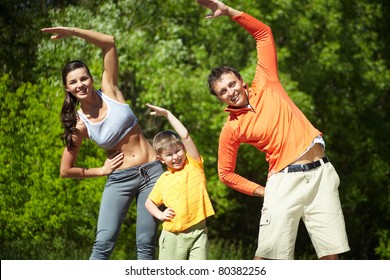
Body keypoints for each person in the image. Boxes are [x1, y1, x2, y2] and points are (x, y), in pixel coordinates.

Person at [197, 0, 350, 260]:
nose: (230, 92)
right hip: (284, 181)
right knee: (268, 259)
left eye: (232, 85)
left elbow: (263, 33)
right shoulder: (232, 128)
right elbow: (225, 173)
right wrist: (262, 191)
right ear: (220, 98)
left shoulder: (267, 81)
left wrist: (230, 12)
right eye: (223, 92)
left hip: (322, 175)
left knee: (331, 256)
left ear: (242, 82)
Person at [40, 26, 164, 260]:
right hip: (120, 179)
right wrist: (101, 170)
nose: (80, 84)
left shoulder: (110, 89)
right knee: (103, 244)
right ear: (68, 88)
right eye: (73, 82)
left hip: (153, 172)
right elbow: (66, 170)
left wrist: (72, 32)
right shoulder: (79, 125)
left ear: (91, 78)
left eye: (83, 78)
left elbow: (109, 42)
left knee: (146, 244)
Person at [144, 103, 215, 260]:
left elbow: (185, 136)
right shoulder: (164, 180)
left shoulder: (194, 165)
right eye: (169, 155)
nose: (175, 157)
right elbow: (149, 203)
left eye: (177, 151)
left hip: (199, 233)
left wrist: (168, 114)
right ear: (161, 159)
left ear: (183, 148)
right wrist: (160, 215)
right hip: (173, 237)